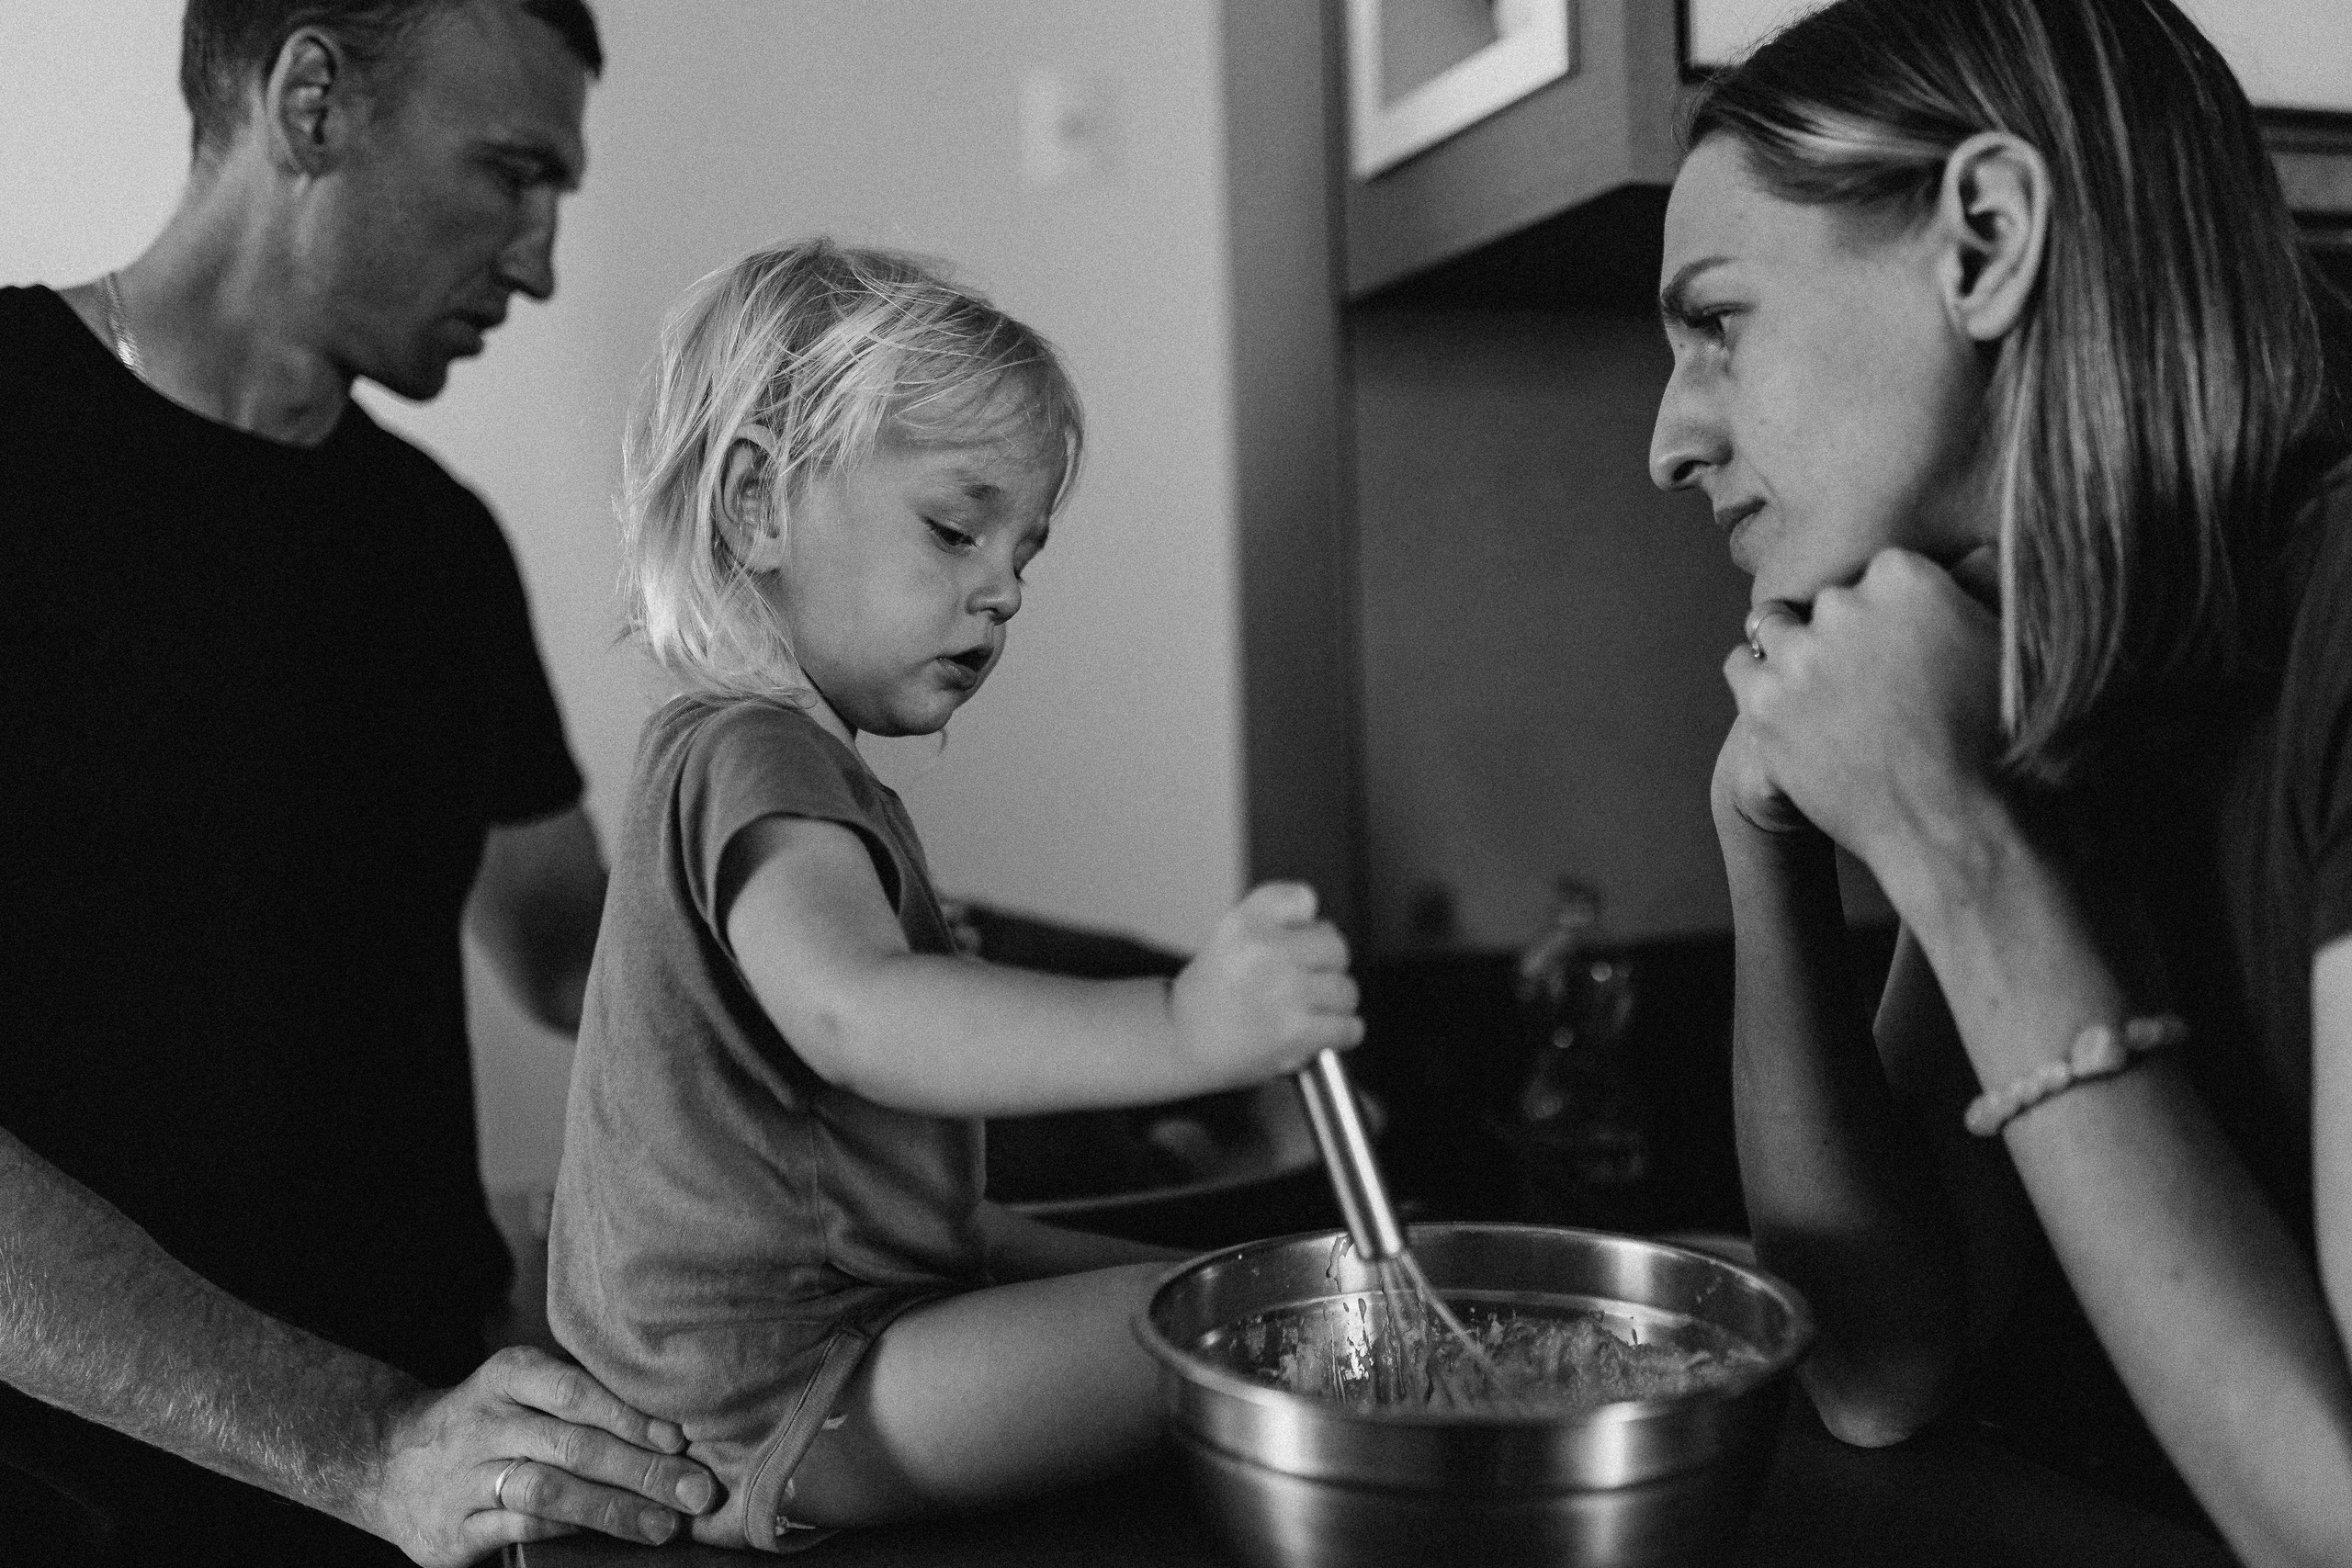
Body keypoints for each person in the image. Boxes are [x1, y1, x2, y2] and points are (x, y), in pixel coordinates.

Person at [0, 1, 718, 1562]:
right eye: (511, 175)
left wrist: (881, 946)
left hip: (438, 1470)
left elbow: (569, 947)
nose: (535, 262)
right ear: (312, 101)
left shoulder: (439, 548)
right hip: (82, 1501)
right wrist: (357, 1445)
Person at [1646, 1, 2352, 1562]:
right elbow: (1883, 1365)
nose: (1668, 439)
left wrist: (1964, 854)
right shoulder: (2062, 662)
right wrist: (1763, 833)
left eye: (1718, 322)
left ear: (1984, 235)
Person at [548, 239, 1363, 1551]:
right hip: (788, 1395)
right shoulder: (755, 750)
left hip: (803, 1353)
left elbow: (882, 1198)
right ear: (758, 505)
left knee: (1237, 1299)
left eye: (1024, 552)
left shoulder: (774, 763)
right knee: (1251, 1345)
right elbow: (861, 1020)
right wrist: (1186, 1027)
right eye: (954, 526)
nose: (1003, 590)